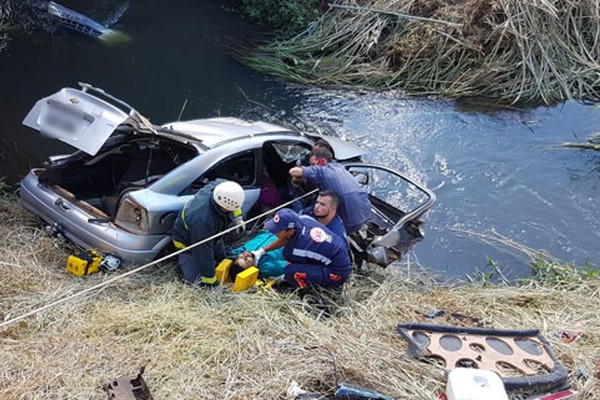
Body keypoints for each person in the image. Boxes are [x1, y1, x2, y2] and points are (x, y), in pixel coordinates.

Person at [252, 208, 351, 289]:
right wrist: (261, 251)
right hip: (339, 252)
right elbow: (285, 239)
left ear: (290, 231)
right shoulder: (303, 219)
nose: (274, 232)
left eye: (277, 230)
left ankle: (307, 292)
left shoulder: (300, 248)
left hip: (337, 273)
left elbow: (289, 262)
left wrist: (281, 278)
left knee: (292, 272)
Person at [171, 179, 245, 286]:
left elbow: (235, 208)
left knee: (222, 259)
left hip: (214, 236)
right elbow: (202, 253)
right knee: (197, 282)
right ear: (224, 207)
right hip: (189, 245)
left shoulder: (223, 188)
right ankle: (185, 265)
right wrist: (211, 281)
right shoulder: (202, 220)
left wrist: (238, 218)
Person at [289, 147, 371, 233]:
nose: (312, 167)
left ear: (322, 161)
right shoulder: (339, 167)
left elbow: (293, 171)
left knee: (305, 218)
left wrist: (301, 174)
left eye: (313, 164)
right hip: (365, 214)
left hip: (347, 222)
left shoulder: (321, 171)